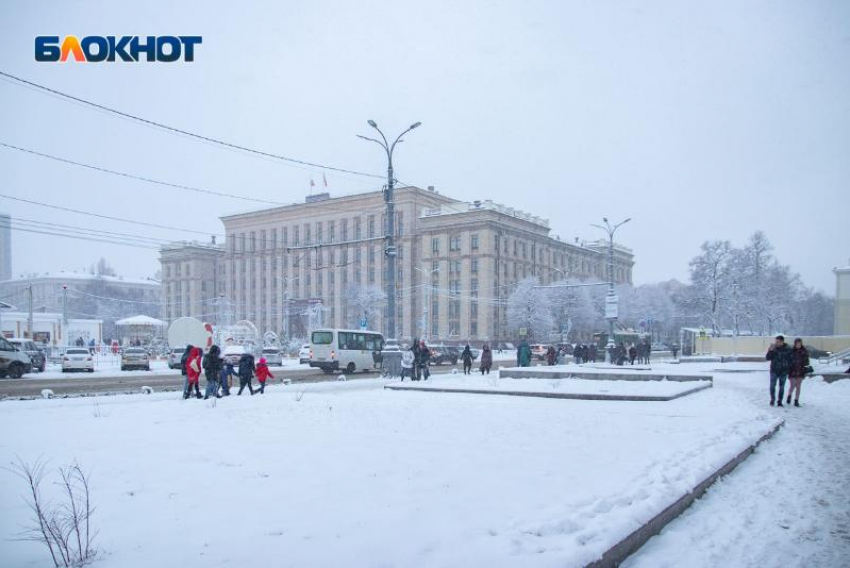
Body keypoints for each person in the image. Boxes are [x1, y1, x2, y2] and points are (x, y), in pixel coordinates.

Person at [766, 335, 793, 407]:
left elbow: (791, 359)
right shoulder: (773, 348)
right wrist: (770, 350)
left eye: (778, 342)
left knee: (781, 387)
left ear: (782, 341)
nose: (776, 343)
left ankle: (779, 401)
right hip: (774, 370)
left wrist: (787, 367)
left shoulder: (788, 349)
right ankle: (772, 399)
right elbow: (768, 358)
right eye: (776, 341)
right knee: (772, 386)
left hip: (783, 371)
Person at [786, 338, 810, 407]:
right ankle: (789, 395)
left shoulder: (804, 351)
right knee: (793, 385)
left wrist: (805, 367)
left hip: (800, 370)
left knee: (798, 386)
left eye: (799, 343)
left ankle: (796, 400)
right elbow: (788, 360)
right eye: (797, 343)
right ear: (795, 344)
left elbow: (807, 361)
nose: (798, 345)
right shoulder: (791, 351)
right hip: (792, 370)